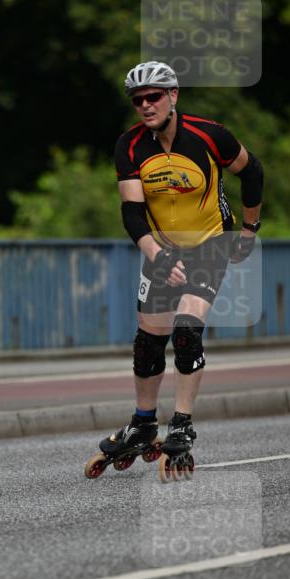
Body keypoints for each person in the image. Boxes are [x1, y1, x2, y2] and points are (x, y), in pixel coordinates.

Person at [92, 60, 263, 477]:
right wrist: (157, 254)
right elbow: (132, 214)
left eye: (154, 96)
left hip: (211, 243)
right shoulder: (129, 146)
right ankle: (144, 421)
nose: (146, 105)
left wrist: (249, 228)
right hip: (163, 248)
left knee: (186, 331)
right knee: (148, 342)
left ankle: (182, 424)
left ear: (173, 95)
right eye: (138, 100)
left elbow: (252, 171)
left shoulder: (210, 135)